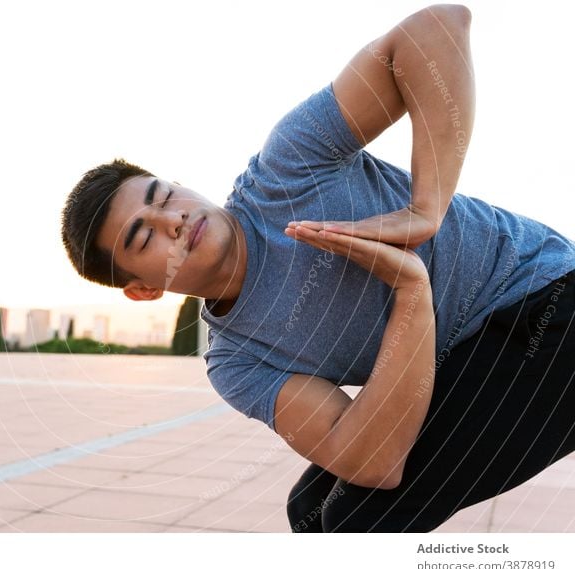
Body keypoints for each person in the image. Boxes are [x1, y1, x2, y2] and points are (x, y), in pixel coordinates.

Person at [60, 3, 575, 532]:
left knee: (357, 524)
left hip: (548, 302)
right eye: (143, 235)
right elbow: (373, 460)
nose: (173, 218)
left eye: (163, 194)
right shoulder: (236, 361)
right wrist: (411, 293)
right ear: (143, 290)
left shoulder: (287, 168)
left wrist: (429, 206)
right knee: (309, 515)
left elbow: (439, 26)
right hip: (466, 353)